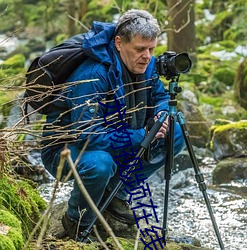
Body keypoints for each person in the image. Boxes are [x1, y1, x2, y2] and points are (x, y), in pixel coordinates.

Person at [41, 9, 185, 241]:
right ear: (119, 43)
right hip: (67, 150)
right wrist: (141, 135)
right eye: (140, 49)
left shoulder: (146, 64)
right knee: (100, 164)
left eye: (151, 49)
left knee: (175, 132)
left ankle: (116, 194)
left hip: (119, 136)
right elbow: (87, 135)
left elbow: (159, 96)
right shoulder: (92, 75)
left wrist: (161, 114)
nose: (147, 56)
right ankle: (76, 222)